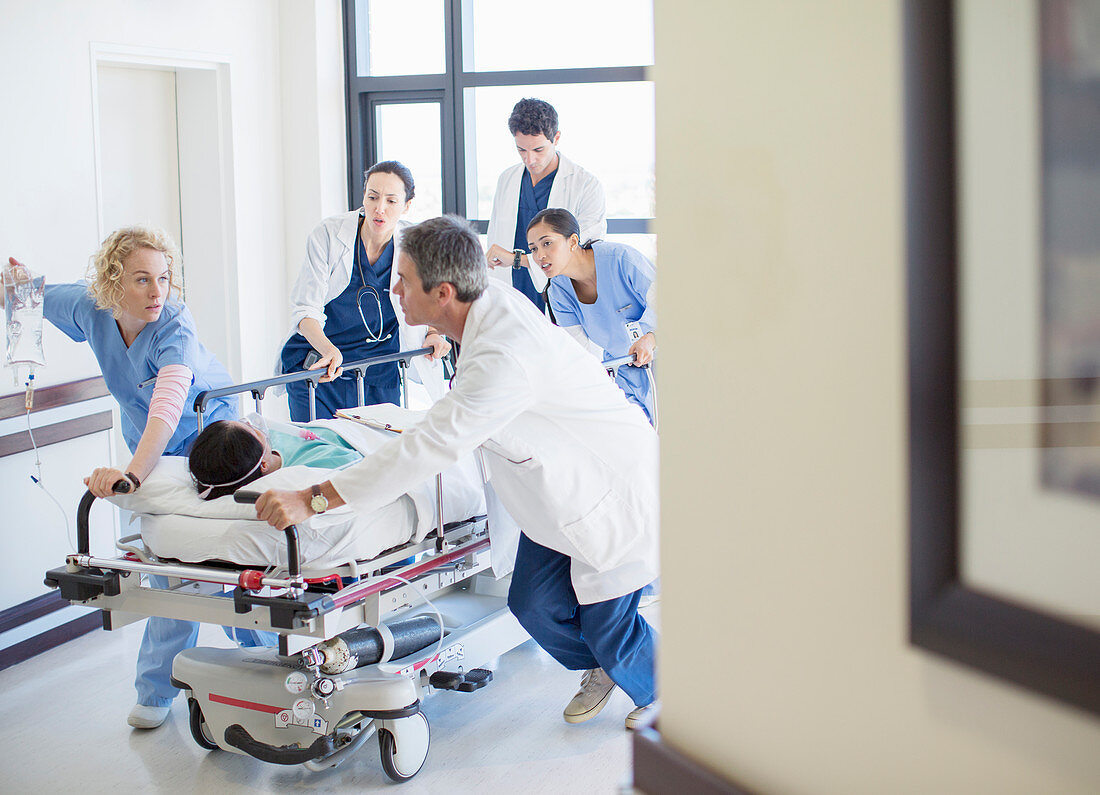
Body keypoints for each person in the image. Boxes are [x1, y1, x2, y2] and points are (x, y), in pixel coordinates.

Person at [255, 215, 659, 730]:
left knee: (609, 627)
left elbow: (433, 444)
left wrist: (315, 497)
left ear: (443, 291)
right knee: (534, 605)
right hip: (557, 491)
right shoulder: (478, 310)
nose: (393, 289)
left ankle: (663, 687)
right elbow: (450, 420)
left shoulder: (502, 353)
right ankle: (607, 666)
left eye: (403, 280)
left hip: (609, 488)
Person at [7, 227, 237, 730]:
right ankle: (157, 690)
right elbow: (35, 294)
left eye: (164, 278)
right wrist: (16, 282)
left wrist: (133, 474)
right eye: (142, 280)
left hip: (213, 438)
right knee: (171, 564)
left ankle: (271, 662)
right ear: (113, 285)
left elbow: (168, 403)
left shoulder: (174, 323)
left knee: (229, 558)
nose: (158, 292)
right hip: (150, 443)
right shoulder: (91, 306)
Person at [279, 160, 450, 421]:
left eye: (391, 201)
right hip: (319, 367)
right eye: (372, 197)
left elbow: (432, 303)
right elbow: (305, 309)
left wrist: (434, 334)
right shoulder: (328, 234)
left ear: (406, 206)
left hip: (379, 372)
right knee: (320, 456)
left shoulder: (417, 245)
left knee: (379, 455)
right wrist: (329, 350)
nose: (379, 208)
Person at [526, 208, 657, 424]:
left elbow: (668, 304)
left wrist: (650, 338)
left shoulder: (620, 260)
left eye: (547, 243)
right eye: (533, 249)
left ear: (573, 241)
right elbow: (578, 352)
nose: (540, 255)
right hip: (624, 373)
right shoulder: (558, 292)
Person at [484, 98, 606, 313]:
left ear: (556, 138)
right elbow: (496, 236)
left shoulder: (585, 184)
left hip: (560, 291)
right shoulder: (507, 179)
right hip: (512, 293)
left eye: (538, 150)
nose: (529, 159)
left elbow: (584, 246)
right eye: (521, 150)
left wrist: (518, 260)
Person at [188, 418, 362, 500]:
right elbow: (366, 468)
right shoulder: (317, 466)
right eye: (254, 431)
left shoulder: (270, 439)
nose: (252, 422)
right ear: (263, 464)